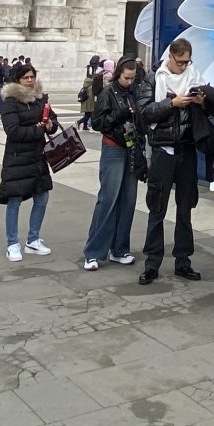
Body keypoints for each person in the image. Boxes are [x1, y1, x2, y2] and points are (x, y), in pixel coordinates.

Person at [138, 38, 214, 285]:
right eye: (180, 62)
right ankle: (152, 263)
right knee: (157, 208)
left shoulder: (195, 75)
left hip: (186, 148)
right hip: (162, 148)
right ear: (170, 56)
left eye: (187, 62)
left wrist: (201, 101)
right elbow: (144, 112)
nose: (184, 67)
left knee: (186, 208)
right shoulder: (153, 78)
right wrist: (171, 104)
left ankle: (183, 260)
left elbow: (208, 110)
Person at [83, 56, 149, 269]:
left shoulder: (135, 92)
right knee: (108, 199)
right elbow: (98, 122)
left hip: (131, 147)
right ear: (119, 74)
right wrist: (120, 115)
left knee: (128, 200)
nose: (130, 81)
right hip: (113, 146)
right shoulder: (107, 93)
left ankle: (120, 248)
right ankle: (93, 251)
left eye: (133, 78)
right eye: (127, 78)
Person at [0, 64, 55, 261]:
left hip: (38, 157)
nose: (30, 80)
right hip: (18, 158)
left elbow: (52, 122)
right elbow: (12, 131)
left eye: (32, 77)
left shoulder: (40, 99)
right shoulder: (11, 102)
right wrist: (38, 130)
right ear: (17, 80)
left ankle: (33, 239)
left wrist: (50, 125)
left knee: (42, 197)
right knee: (14, 200)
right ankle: (12, 243)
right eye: (26, 78)